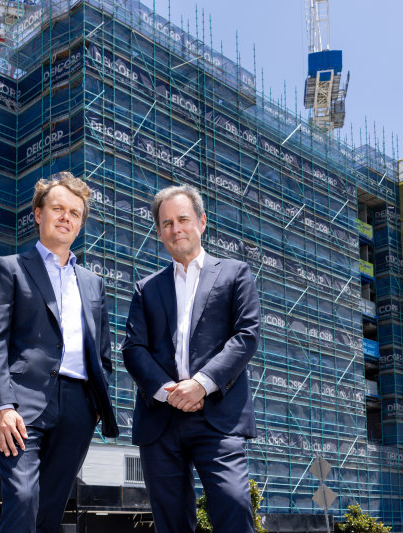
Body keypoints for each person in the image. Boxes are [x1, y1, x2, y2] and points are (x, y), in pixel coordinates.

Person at [0, 171, 119, 533]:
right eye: (58, 209)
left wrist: (94, 406)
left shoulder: (93, 283)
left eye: (75, 213)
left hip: (78, 408)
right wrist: (1, 406)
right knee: (23, 497)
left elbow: (102, 352)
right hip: (22, 403)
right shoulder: (9, 269)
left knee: (51, 508)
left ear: (80, 223)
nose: (66, 217)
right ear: (39, 214)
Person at [122, 184, 261, 533]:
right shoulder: (146, 288)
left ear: (202, 222)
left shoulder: (235, 274)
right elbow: (133, 349)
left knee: (233, 505)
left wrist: (200, 385)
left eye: (183, 219)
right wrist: (170, 392)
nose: (176, 229)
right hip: (161, 419)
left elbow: (246, 336)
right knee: (170, 523)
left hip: (218, 417)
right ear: (159, 232)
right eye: (166, 223)